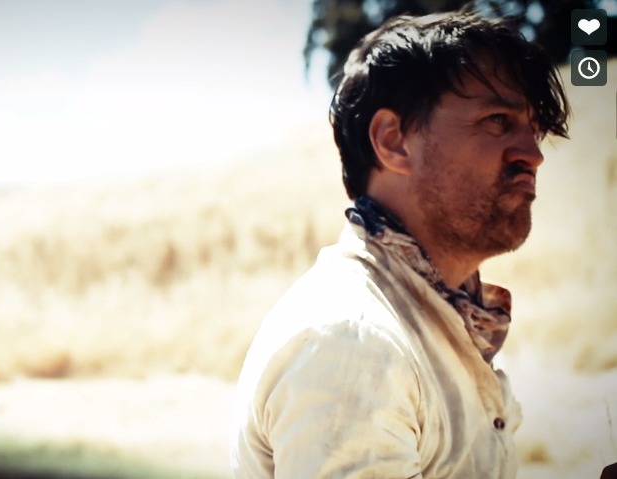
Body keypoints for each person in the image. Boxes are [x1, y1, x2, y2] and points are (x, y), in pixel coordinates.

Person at [231, 9, 569, 478]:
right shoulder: (355, 344)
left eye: (533, 129)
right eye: (496, 120)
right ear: (393, 142)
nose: (532, 154)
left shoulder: (429, 314)